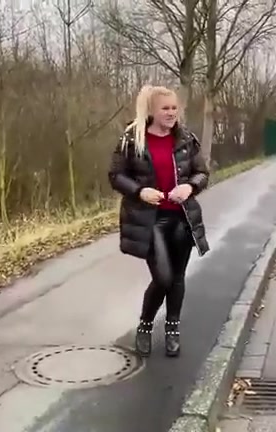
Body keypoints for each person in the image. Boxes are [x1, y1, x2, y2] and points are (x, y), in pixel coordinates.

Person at [108, 85, 210, 358]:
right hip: (150, 220)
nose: (171, 113)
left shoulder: (186, 138)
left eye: (174, 108)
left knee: (177, 278)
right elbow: (116, 176)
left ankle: (172, 328)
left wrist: (190, 187)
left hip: (182, 218)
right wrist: (140, 191)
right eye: (165, 108)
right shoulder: (133, 139)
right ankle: (145, 324)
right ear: (152, 110)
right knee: (163, 277)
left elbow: (202, 173)